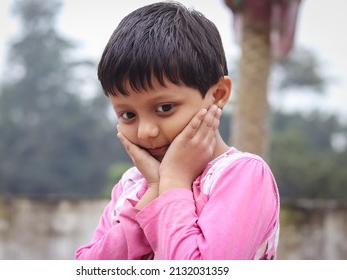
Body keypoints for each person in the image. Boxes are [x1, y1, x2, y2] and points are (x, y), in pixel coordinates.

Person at [75, 1, 280, 260]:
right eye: (128, 115)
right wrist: (151, 193)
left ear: (217, 95)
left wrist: (173, 182)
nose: (146, 132)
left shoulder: (242, 175)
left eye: (165, 107)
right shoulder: (132, 184)